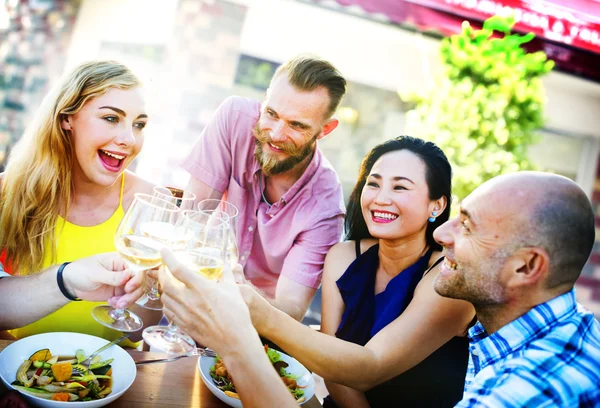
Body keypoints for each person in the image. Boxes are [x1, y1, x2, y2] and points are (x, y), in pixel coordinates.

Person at [159, 171, 600, 407]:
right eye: (373, 181)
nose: (444, 235)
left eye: (467, 225)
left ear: (526, 266)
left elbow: (368, 366)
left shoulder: (527, 389)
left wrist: (237, 342)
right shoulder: (533, 337)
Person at [0, 60, 158, 343]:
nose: (128, 139)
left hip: (110, 376)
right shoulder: (6, 193)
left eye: (139, 124)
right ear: (66, 118)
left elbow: (139, 329)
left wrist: (154, 288)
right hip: (17, 369)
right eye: (111, 118)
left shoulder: (151, 203)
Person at [183, 54, 347, 320]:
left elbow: (290, 310)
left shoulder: (325, 207)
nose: (276, 134)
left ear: (325, 129)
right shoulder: (235, 118)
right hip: (195, 293)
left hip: (256, 325)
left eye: (297, 125)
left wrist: (233, 285)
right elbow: (193, 218)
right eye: (271, 113)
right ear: (266, 98)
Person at [320, 136, 473, 407]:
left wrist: (266, 317)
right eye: (374, 183)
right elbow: (330, 364)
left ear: (436, 205)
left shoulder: (450, 276)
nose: (381, 198)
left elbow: (368, 370)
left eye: (400, 187)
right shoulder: (343, 256)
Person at [0, 253, 143, 332]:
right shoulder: (15, 204)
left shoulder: (140, 211)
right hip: (22, 350)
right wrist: (66, 282)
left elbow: (137, 334)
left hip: (119, 358)